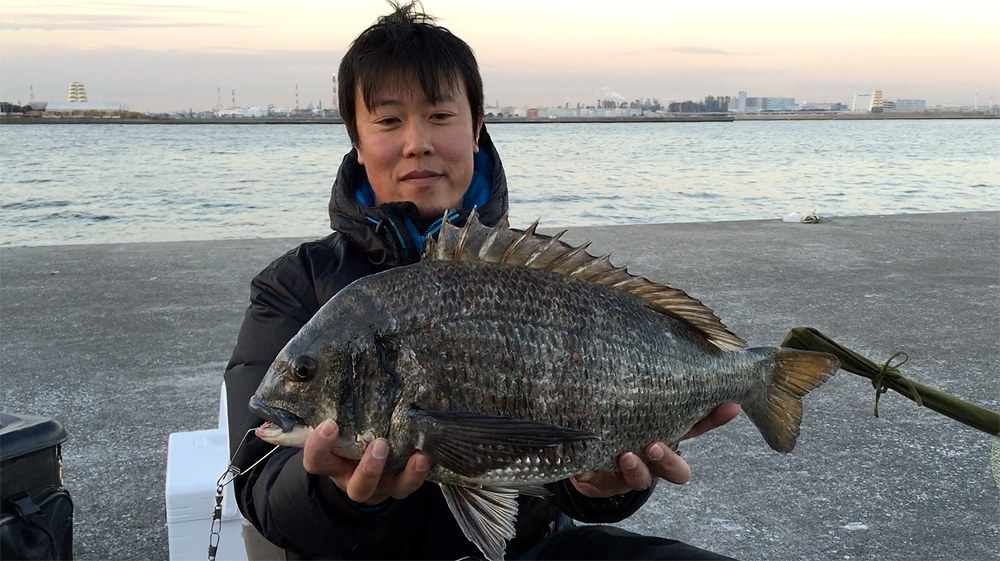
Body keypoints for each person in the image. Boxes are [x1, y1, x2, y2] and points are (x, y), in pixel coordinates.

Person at [224, 2, 741, 559]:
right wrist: (342, 494)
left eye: (440, 115)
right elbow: (258, 484)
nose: (416, 141)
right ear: (356, 141)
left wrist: (595, 487)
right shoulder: (293, 287)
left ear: (476, 131)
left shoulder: (526, 273)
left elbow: (566, 464)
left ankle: (754, 376)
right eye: (388, 120)